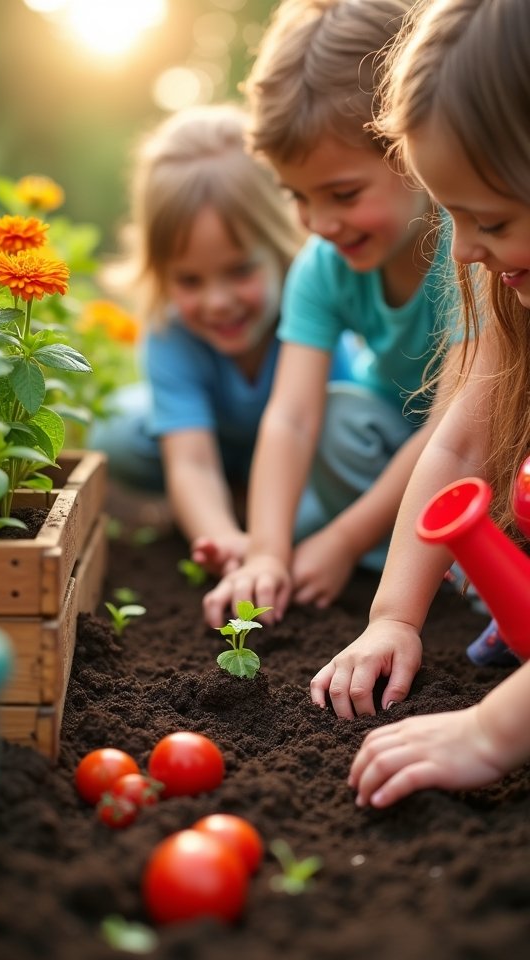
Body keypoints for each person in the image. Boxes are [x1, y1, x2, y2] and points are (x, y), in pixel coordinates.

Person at [314, 0, 530, 806]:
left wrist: (491, 730)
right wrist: (392, 618)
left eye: (492, 218)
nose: (464, 249)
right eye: (452, 215)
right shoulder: (504, 280)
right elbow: (458, 446)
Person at [203, 0, 462, 628]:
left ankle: (440, 565)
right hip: (388, 446)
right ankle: (402, 558)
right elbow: (291, 418)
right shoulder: (322, 266)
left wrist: (342, 541)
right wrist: (265, 550)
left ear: (413, 147)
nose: (319, 224)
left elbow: (456, 434)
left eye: (343, 194)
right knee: (340, 417)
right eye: (298, 197)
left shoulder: (467, 247)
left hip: (470, 449)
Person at [89, 103, 332, 575]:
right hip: (212, 449)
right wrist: (219, 538)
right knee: (118, 428)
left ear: (280, 246)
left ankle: (253, 504)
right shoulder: (171, 331)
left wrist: (272, 540)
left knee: (309, 520)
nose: (217, 303)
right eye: (189, 280)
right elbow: (190, 462)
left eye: (240, 271)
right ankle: (227, 507)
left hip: (301, 461)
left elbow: (329, 447)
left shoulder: (310, 311)